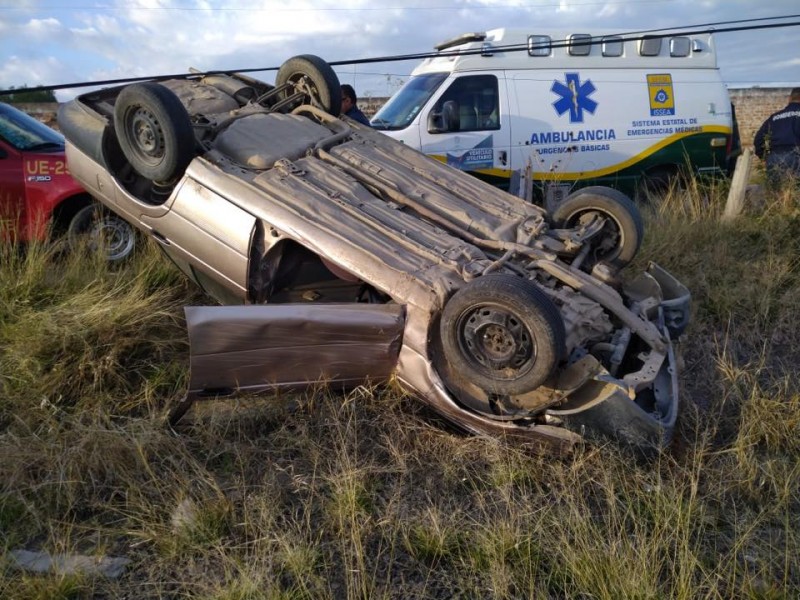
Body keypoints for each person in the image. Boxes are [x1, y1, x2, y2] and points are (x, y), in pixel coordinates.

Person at [753, 87, 800, 185]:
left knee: (776, 192)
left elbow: (759, 140)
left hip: (775, 158)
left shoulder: (774, 117)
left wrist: (766, 156)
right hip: (797, 156)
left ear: (790, 98)